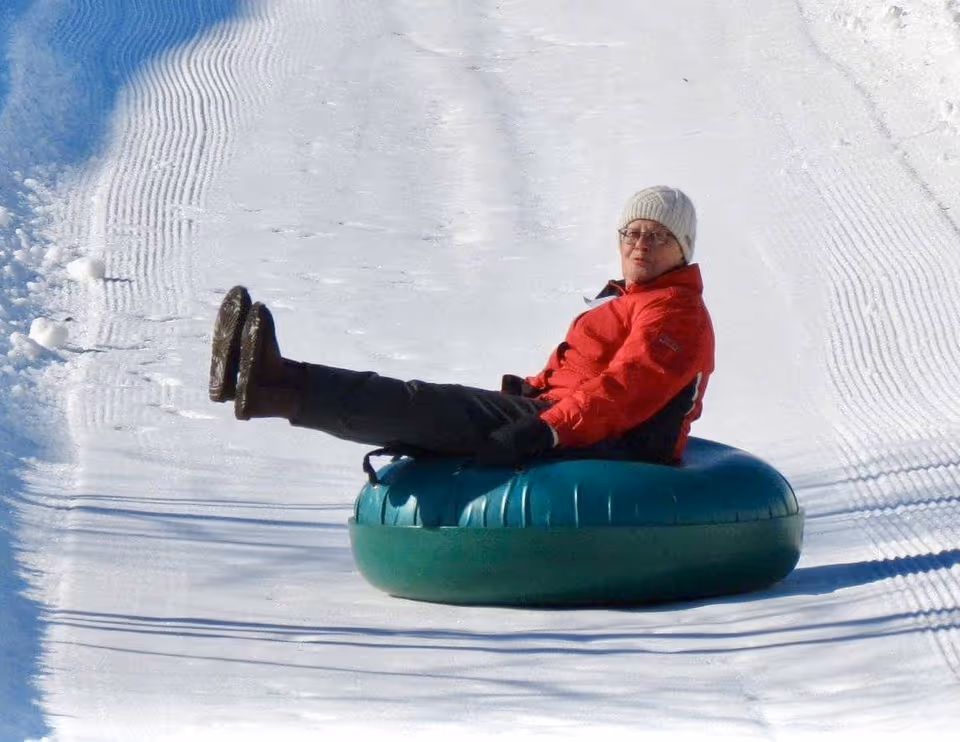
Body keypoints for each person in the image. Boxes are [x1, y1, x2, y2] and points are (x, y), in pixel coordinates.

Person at [208, 186, 714, 470]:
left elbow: (626, 390)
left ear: (681, 248)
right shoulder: (627, 301)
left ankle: (276, 385)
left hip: (616, 445)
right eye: (632, 232)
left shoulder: (675, 311)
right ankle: (265, 383)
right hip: (570, 421)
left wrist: (543, 428)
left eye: (657, 235)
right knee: (428, 404)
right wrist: (534, 397)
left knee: (426, 404)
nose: (640, 243)